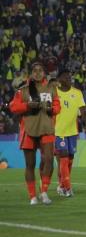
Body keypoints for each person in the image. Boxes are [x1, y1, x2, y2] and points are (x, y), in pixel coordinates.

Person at [9, 61, 60, 205]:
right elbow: (13, 107)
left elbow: (57, 106)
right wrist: (27, 106)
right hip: (29, 129)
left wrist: (52, 109)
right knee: (30, 164)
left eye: (40, 70)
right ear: (31, 73)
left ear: (44, 73)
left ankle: (44, 192)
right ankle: (32, 196)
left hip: (46, 127)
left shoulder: (51, 88)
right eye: (35, 71)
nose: (38, 73)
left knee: (49, 160)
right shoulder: (23, 89)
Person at [54, 69, 86, 197]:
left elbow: (82, 109)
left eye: (69, 77)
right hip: (58, 131)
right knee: (63, 156)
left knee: (70, 159)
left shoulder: (77, 93)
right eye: (65, 77)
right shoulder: (54, 93)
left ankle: (62, 185)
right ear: (59, 79)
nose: (68, 79)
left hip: (72, 132)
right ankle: (68, 188)